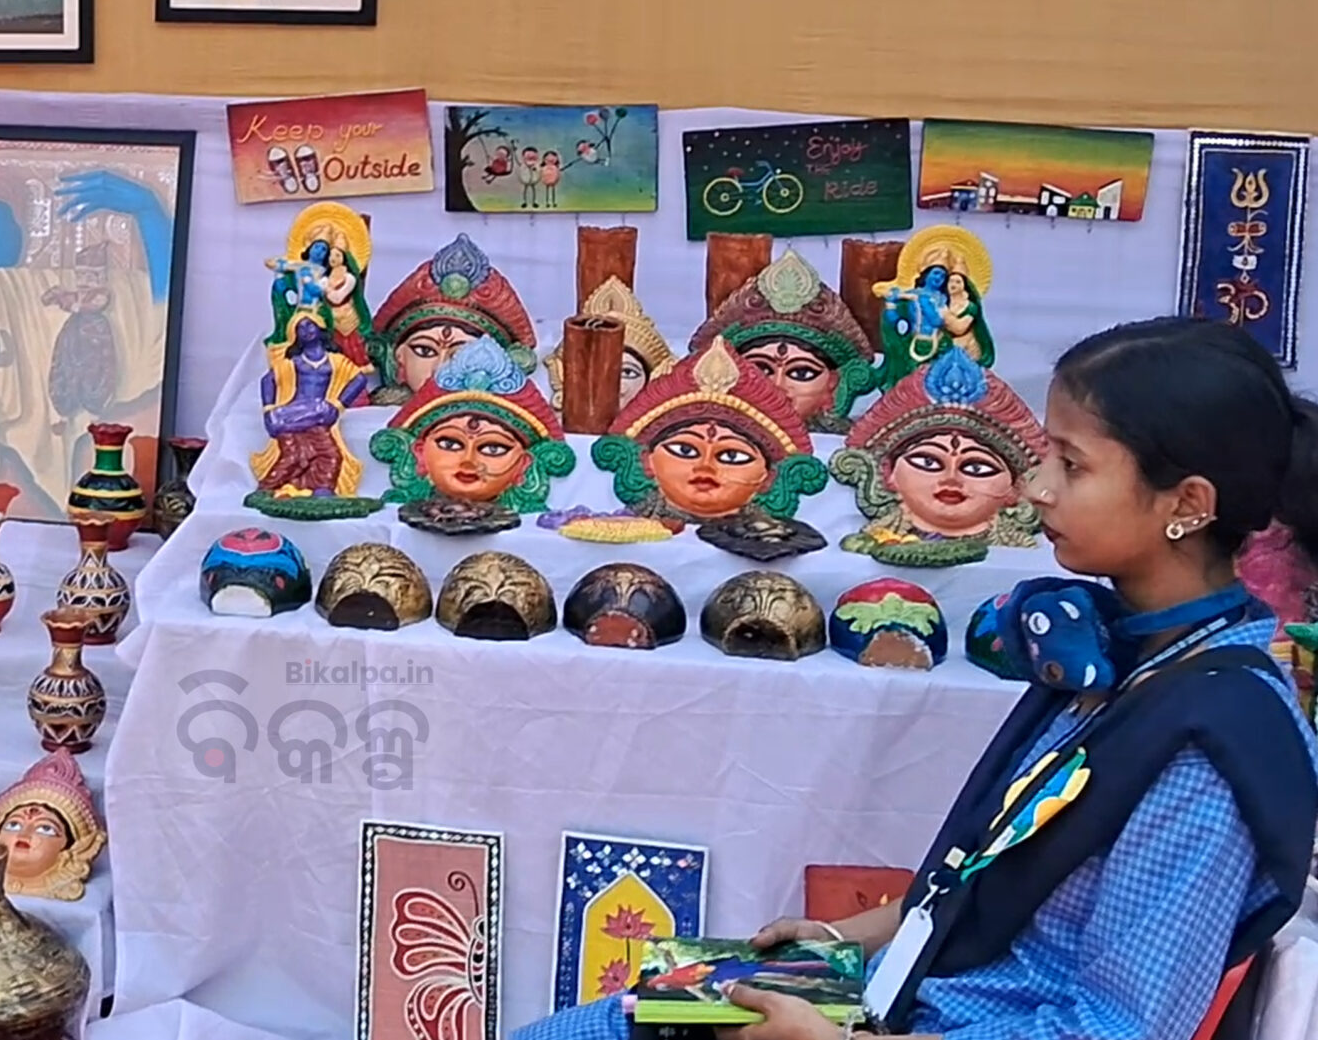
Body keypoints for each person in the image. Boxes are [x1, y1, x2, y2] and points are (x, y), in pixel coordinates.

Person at [514, 317, 1318, 1040]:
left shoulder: (1214, 740)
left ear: (1188, 503)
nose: (1036, 486)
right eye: (1045, 453)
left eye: (1071, 464)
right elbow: (988, 882)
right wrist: (844, 938)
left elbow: (1115, 1026)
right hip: (916, 995)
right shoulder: (1120, 651)